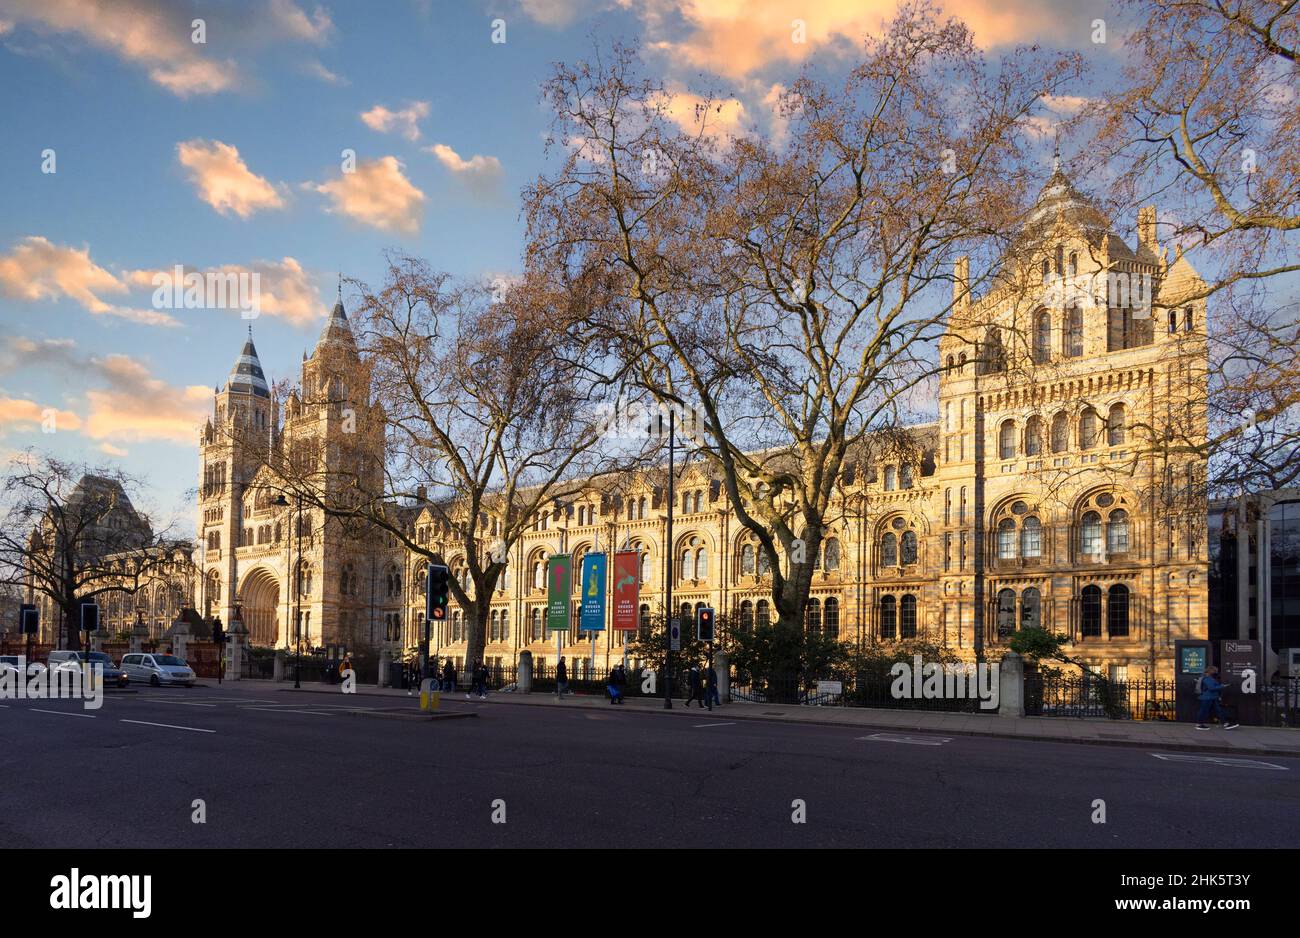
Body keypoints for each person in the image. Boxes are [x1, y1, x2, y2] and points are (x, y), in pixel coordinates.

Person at [1195, 666, 1239, 730]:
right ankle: (1199, 724)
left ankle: (1226, 723)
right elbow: (1211, 688)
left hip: (1211, 697)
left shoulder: (1207, 677)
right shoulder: (1207, 678)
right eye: (1215, 671)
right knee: (1204, 711)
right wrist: (1222, 686)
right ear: (1211, 671)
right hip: (1207, 697)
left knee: (1218, 710)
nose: (1216, 672)